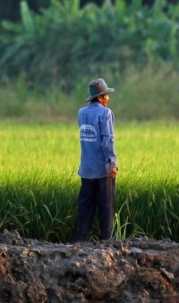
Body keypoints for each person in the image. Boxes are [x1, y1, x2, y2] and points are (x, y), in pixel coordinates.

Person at [71, 78, 118, 243]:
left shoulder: (81, 113)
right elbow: (107, 140)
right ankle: (106, 242)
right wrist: (112, 163)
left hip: (86, 169)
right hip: (102, 170)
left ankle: (80, 241)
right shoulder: (106, 113)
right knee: (106, 207)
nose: (108, 98)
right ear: (100, 97)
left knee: (85, 207)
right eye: (106, 95)